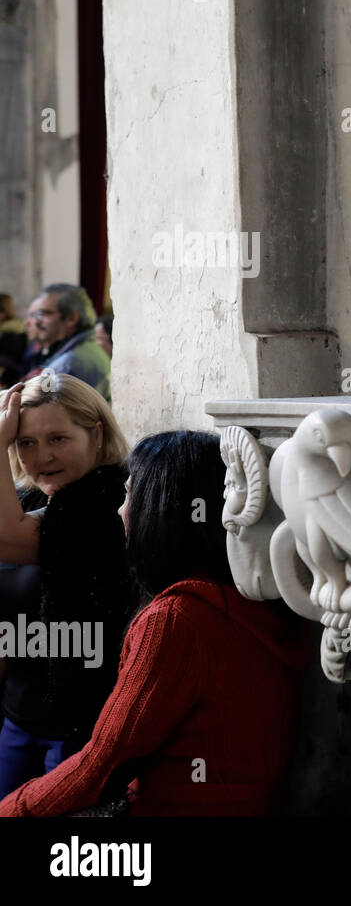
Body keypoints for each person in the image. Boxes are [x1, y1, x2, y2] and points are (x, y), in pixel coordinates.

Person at [0, 430, 313, 816]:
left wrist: (13, 809)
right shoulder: (249, 599)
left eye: (131, 494)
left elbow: (104, 763)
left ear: (161, 507)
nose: (120, 510)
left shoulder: (176, 620)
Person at [0, 373, 133, 800]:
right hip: (18, 717)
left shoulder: (106, 499)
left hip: (79, 729)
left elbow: (9, 539)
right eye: (26, 443)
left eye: (58, 439)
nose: (42, 457)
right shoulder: (34, 499)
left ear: (96, 434)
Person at [21, 284, 111, 403]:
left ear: (71, 318)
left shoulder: (70, 363)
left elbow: (47, 415)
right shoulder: (84, 350)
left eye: (41, 314)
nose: (28, 322)